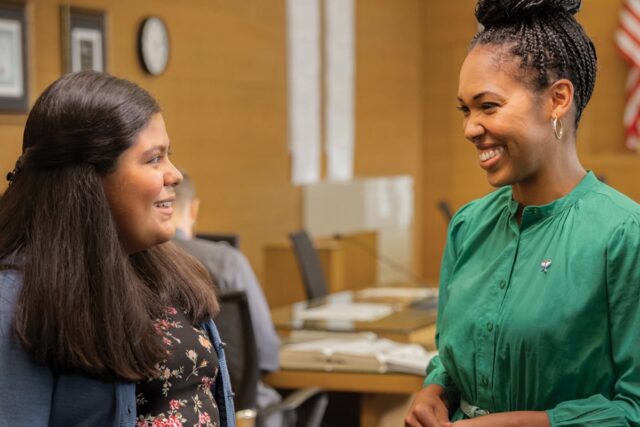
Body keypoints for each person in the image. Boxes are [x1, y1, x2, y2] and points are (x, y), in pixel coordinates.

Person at [405, 1, 640, 426]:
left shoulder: (624, 236)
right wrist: (435, 389)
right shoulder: (467, 226)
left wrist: (519, 423)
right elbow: (450, 355)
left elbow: (634, 408)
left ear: (557, 99)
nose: (470, 128)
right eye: (465, 109)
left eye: (488, 106)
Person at [0, 71, 236, 426]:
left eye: (168, 156)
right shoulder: (16, 300)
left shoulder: (162, 268)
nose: (174, 175)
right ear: (90, 180)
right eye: (153, 159)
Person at [171, 169, 283, 426]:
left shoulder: (132, 260)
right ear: (194, 210)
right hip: (241, 411)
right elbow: (267, 355)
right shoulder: (226, 262)